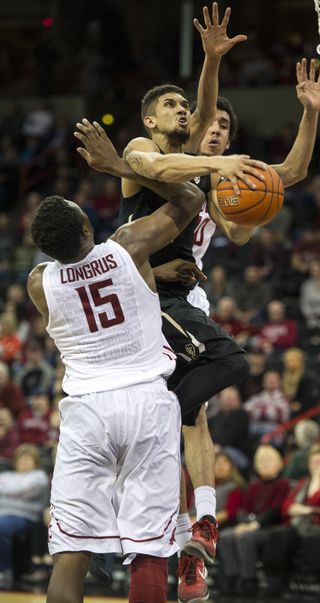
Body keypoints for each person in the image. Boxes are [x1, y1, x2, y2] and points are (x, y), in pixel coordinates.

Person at [75, 54, 320, 602]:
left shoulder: (220, 185)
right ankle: (120, 521)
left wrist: (310, 115)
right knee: (164, 406)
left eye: (223, 127)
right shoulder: (158, 159)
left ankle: (197, 532)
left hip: (186, 296)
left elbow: (289, 176)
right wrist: (211, 63)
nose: (212, 127)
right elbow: (155, 177)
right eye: (206, 122)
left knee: (195, 410)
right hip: (139, 291)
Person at [27, 180, 205, 603]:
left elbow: (86, 288)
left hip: (87, 411)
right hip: (146, 401)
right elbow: (193, 199)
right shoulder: (127, 246)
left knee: (71, 552)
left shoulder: (39, 283)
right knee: (148, 549)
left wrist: (148, 272)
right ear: (87, 228)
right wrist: (120, 166)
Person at [262, 445, 320, 603]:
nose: (316, 466)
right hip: (302, 527)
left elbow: (315, 499)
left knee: (312, 541)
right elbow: (287, 507)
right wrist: (304, 510)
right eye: (313, 463)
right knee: (277, 536)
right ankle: (276, 580)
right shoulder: (303, 482)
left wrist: (316, 479)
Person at [217, 445, 290, 595]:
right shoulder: (254, 486)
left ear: (278, 463)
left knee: (245, 537)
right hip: (250, 524)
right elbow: (243, 508)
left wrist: (255, 524)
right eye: (262, 461)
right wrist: (244, 523)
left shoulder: (283, 484)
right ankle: (233, 575)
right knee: (225, 536)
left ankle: (249, 579)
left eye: (270, 460)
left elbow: (276, 510)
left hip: (270, 527)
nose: (265, 464)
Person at [0, 443, 48, 589]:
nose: (24, 461)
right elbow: (18, 491)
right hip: (2, 514)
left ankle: (3, 571)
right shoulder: (6, 475)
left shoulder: (39, 477)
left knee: (1, 527)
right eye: (21, 458)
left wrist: (4, 492)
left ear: (35, 461)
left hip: (25, 517)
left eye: (28, 458)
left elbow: (26, 490)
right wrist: (14, 492)